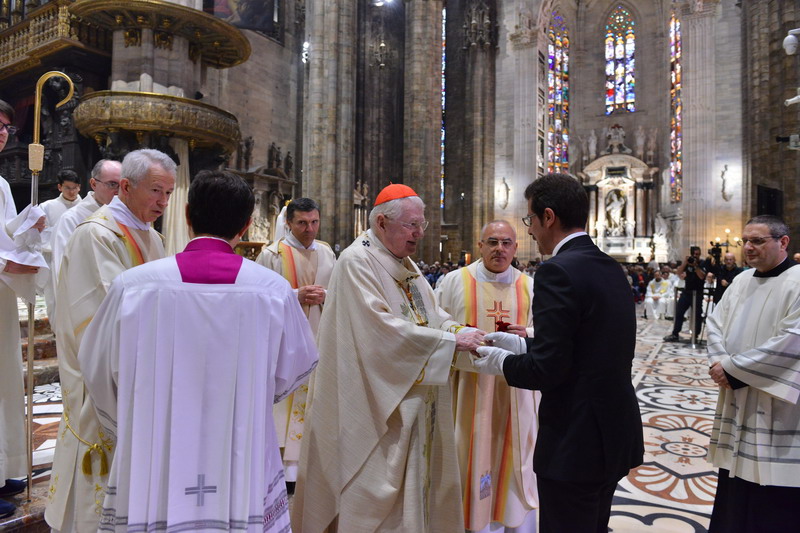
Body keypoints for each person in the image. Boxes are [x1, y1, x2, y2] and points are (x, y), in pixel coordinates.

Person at [78, 170, 318, 532]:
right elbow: (294, 366)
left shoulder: (134, 286)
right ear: (247, 225)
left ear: (187, 216)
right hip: (242, 445)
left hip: (153, 448)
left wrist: (131, 420)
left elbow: (96, 365)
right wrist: (247, 397)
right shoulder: (272, 290)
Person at [291, 183, 485, 532]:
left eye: (421, 224)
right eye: (412, 225)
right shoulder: (356, 261)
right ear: (381, 222)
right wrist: (446, 342)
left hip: (413, 397)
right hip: (376, 404)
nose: (419, 233)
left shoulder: (402, 262)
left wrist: (457, 332)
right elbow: (380, 332)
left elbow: (431, 313)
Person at [471, 173, 643, 533]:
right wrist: (521, 343)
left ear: (548, 217)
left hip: (575, 440)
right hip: (614, 430)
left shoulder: (558, 271)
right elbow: (588, 345)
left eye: (530, 219)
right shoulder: (610, 266)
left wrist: (497, 361)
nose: (530, 230)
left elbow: (547, 371)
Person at [45, 149, 176, 533]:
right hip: (106, 379)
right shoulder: (97, 235)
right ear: (125, 186)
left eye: (168, 194)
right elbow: (100, 317)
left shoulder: (153, 236)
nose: (163, 203)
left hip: (144, 374)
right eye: (156, 191)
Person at [436, 220, 538, 533]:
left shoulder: (530, 286)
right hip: (467, 391)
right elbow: (434, 324)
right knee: (466, 455)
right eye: (492, 242)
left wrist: (528, 335)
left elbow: (548, 334)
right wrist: (457, 334)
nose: (499, 249)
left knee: (514, 462)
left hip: (516, 393)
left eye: (507, 243)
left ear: (516, 248)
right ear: (480, 246)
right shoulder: (454, 282)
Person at [706, 215, 800, 532]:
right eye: (745, 240)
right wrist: (720, 364)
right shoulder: (742, 280)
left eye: (757, 241)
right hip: (737, 397)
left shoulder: (798, 282)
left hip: (776, 406)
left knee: (771, 497)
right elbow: (715, 324)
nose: (748, 247)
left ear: (782, 242)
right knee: (734, 483)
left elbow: (792, 341)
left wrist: (732, 370)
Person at [255, 197, 335, 486]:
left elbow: (339, 292)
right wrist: (296, 295)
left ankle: (309, 463)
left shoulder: (327, 253)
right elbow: (259, 300)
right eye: (301, 223)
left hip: (319, 339)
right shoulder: (272, 254)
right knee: (284, 405)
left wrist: (327, 296)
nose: (309, 229)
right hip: (284, 344)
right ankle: (282, 468)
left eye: (314, 222)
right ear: (288, 222)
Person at [0, 98, 47, 518]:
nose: (1, 132)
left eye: (4, 128)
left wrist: (30, 226)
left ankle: (5, 466)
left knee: (6, 384)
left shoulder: (0, 184)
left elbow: (8, 236)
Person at [50, 159, 122, 282]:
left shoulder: (126, 216)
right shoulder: (71, 219)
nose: (118, 191)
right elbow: (62, 267)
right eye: (112, 184)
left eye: (123, 185)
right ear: (93, 184)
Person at [38, 169, 81, 325]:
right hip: (53, 259)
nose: (71, 191)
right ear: (59, 187)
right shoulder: (47, 207)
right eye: (67, 187)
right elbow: (41, 234)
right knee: (54, 298)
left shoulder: (86, 208)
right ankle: (57, 332)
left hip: (79, 260)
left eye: (74, 187)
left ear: (79, 187)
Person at [663, 246, 707, 342]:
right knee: (679, 312)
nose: (696, 256)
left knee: (697, 315)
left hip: (698, 292)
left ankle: (695, 335)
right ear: (691, 254)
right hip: (687, 291)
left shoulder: (702, 263)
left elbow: (702, 276)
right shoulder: (688, 263)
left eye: (698, 254)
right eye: (694, 254)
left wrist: (695, 266)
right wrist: (685, 262)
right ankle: (675, 334)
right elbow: (679, 273)